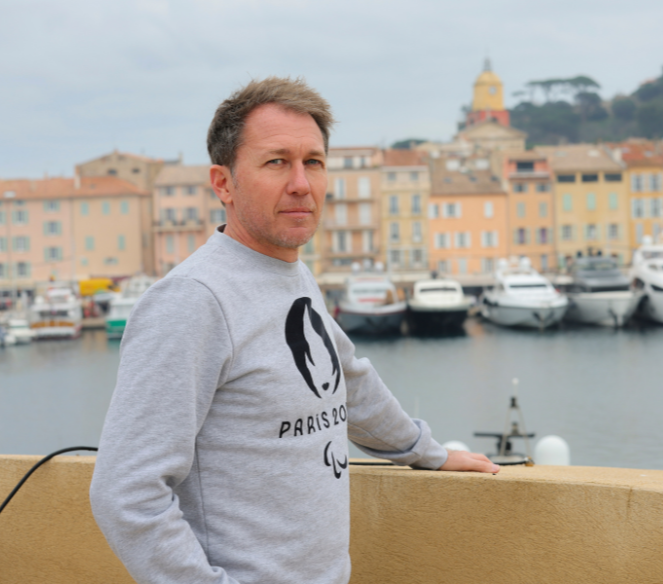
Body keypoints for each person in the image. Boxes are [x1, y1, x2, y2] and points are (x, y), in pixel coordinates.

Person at [89, 77, 499, 584]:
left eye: (314, 162)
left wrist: (429, 453)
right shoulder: (193, 300)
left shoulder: (292, 274)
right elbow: (126, 493)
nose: (301, 183)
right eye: (277, 162)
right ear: (223, 183)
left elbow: (348, 383)